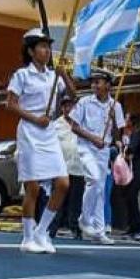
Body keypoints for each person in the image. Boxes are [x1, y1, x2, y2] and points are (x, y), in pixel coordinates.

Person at [5, 28, 76, 254]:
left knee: (63, 183)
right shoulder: (21, 75)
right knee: (33, 187)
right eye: (42, 46)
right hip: (29, 132)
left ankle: (42, 231)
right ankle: (27, 237)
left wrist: (64, 74)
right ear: (31, 51)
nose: (47, 50)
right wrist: (36, 118)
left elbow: (73, 95)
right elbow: (11, 103)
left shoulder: (52, 76)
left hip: (49, 133)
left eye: (48, 46)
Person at [67, 68, 124, 245]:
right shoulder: (84, 102)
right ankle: (84, 219)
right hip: (86, 148)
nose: (94, 85)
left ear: (108, 85)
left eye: (98, 82)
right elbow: (74, 127)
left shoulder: (116, 106)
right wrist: (93, 138)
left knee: (99, 189)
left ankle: (99, 231)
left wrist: (114, 120)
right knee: (94, 179)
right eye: (93, 82)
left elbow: (118, 135)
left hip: (103, 150)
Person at [50, 96, 86, 239]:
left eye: (70, 106)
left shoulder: (82, 123)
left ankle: (75, 228)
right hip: (61, 168)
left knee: (75, 201)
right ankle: (52, 228)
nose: (67, 109)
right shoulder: (55, 125)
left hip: (78, 167)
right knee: (58, 199)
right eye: (65, 106)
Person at [123, 113, 140, 240]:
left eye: (126, 119)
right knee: (129, 198)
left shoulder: (137, 134)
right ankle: (132, 227)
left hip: (138, 170)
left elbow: (131, 149)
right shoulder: (134, 134)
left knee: (132, 197)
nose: (124, 121)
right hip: (133, 169)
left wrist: (124, 149)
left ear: (132, 122)